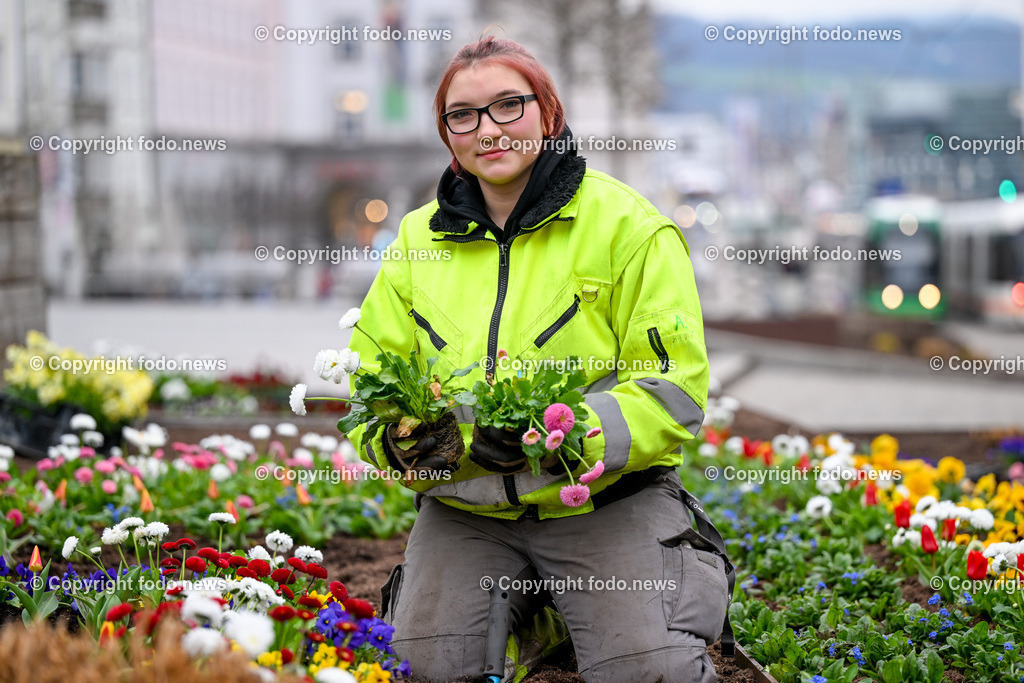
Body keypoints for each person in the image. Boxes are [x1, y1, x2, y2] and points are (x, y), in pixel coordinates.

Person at [347, 35, 732, 683]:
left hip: (606, 504)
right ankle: (545, 611)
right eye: (462, 115)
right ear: (447, 133)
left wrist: (571, 436)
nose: (488, 130)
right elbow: (370, 384)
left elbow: (675, 390)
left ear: (548, 114)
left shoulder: (629, 227)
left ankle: (573, 605)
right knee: (429, 668)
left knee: (646, 673)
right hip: (468, 512)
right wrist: (408, 438)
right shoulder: (415, 240)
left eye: (508, 106)